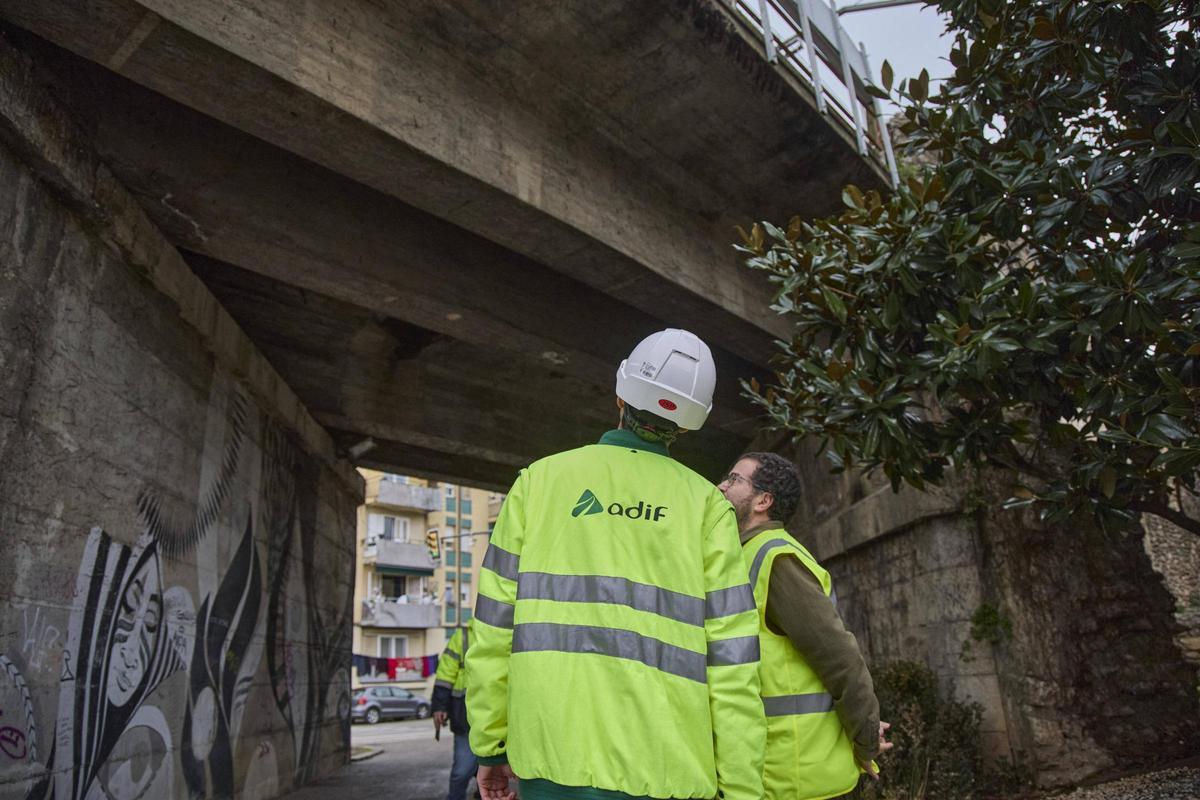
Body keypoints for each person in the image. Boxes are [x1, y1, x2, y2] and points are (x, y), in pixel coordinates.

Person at [466, 329, 766, 800]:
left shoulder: (538, 483)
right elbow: (733, 663)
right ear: (688, 425)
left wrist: (490, 743)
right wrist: (743, 788)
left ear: (620, 396)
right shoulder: (707, 508)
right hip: (669, 770)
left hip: (550, 759)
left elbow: (492, 629)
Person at [719, 452, 892, 800]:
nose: (721, 486)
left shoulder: (777, 558)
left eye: (735, 480)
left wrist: (867, 737)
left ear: (763, 500)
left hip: (799, 775)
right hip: (771, 772)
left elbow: (840, 657)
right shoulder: (745, 556)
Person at [432, 627, 477, 800]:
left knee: (495, 775)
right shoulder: (463, 636)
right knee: (462, 772)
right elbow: (445, 672)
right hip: (466, 718)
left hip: (498, 720)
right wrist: (439, 706)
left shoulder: (507, 631)